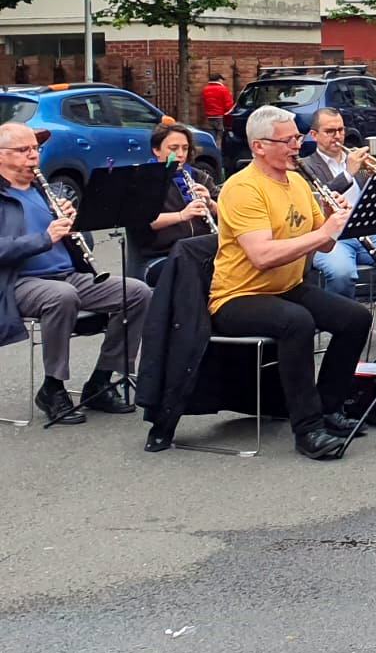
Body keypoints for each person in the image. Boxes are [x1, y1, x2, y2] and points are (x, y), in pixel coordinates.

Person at [209, 105, 372, 460]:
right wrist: (324, 233)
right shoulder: (242, 189)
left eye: (296, 138)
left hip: (285, 286)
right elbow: (262, 256)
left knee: (356, 317)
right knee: (296, 322)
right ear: (259, 146)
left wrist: (333, 218)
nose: (296, 146)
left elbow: (324, 242)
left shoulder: (298, 181)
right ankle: (308, 428)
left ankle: (329, 406)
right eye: (286, 141)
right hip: (238, 296)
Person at [0, 121, 153, 425]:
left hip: (67, 275)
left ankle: (101, 379)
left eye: (35, 148)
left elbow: (84, 243)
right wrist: (45, 238)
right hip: (19, 282)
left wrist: (73, 224)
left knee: (136, 292)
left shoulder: (43, 190)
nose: (33, 156)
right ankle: (53, 387)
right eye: (23, 150)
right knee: (62, 296)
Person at [297, 108, 376, 300]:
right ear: (314, 135)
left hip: (365, 228)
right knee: (342, 274)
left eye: (341, 130)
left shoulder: (358, 160)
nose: (337, 136)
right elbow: (318, 199)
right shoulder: (305, 166)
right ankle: (343, 321)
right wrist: (347, 174)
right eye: (330, 132)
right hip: (332, 236)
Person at [130, 124, 219, 268]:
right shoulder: (144, 180)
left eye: (185, 148)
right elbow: (146, 220)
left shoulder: (199, 177)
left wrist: (211, 205)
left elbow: (229, 215)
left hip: (202, 249)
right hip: (162, 255)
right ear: (156, 150)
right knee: (197, 270)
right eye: (173, 148)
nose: (180, 154)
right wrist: (182, 215)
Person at [200, 74, 234, 144]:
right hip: (220, 115)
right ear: (219, 79)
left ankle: (212, 149)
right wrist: (229, 113)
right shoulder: (222, 89)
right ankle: (218, 150)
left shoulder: (205, 89)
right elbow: (228, 104)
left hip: (209, 116)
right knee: (219, 135)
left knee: (211, 135)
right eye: (222, 80)